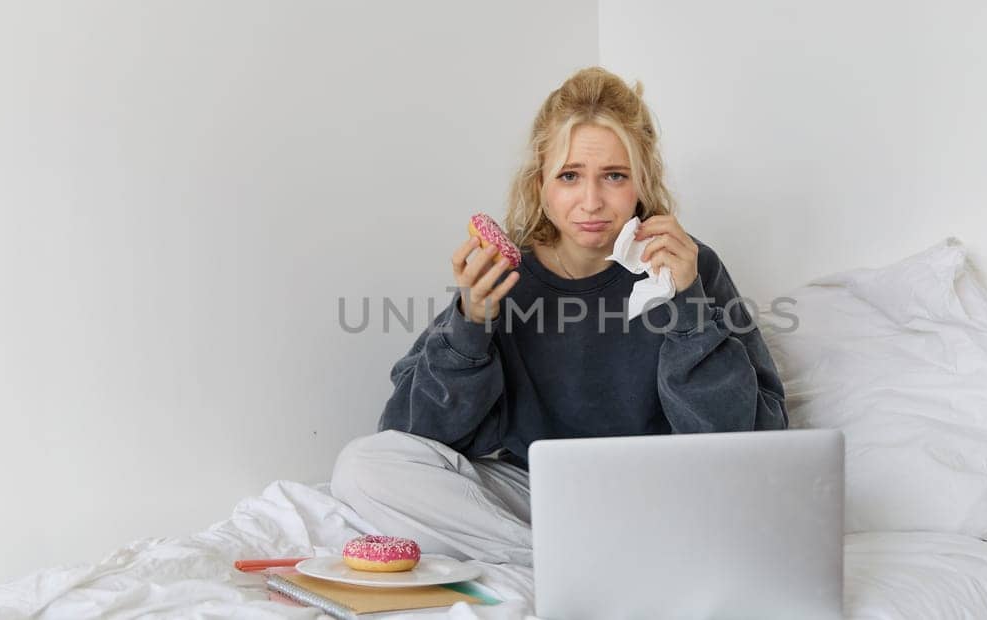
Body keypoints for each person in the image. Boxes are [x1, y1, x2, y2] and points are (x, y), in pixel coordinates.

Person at [330, 67, 787, 567]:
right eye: (570, 176)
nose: (591, 201)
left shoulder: (688, 264)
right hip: (536, 496)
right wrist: (471, 322)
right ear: (541, 185)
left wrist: (687, 305)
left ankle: (590, 558)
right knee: (362, 467)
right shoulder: (507, 277)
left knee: (744, 511)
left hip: (659, 496)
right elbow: (408, 432)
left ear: (642, 182)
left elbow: (755, 439)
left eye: (614, 175)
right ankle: (580, 560)